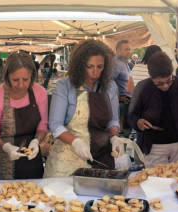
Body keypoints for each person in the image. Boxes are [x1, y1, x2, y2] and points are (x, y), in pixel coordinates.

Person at [44, 39, 122, 177]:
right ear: (80, 65)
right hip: (67, 160)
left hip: (101, 159)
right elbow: (55, 125)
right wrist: (76, 142)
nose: (95, 72)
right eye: (90, 66)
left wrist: (115, 137)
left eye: (100, 67)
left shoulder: (110, 87)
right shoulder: (65, 87)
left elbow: (113, 120)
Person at [128, 51, 178, 167]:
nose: (165, 86)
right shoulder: (142, 88)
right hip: (154, 146)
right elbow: (131, 116)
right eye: (159, 83)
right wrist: (138, 122)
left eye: (169, 81)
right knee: (156, 181)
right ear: (151, 76)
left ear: (172, 73)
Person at [0, 52, 48, 180]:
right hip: (4, 160)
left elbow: (43, 123)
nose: (21, 85)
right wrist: (7, 147)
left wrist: (36, 141)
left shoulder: (39, 92)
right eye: (15, 80)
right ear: (7, 77)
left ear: (32, 76)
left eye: (25, 80)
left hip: (31, 156)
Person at [129, 45, 162, 154]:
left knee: (141, 137)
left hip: (139, 110)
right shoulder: (157, 70)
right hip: (154, 111)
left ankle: (142, 162)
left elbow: (129, 89)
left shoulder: (136, 67)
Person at [112, 40, 133, 137]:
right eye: (126, 49)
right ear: (118, 51)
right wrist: (118, 97)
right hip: (121, 102)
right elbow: (109, 82)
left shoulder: (124, 63)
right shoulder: (116, 64)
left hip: (126, 101)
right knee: (122, 132)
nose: (129, 51)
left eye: (129, 49)